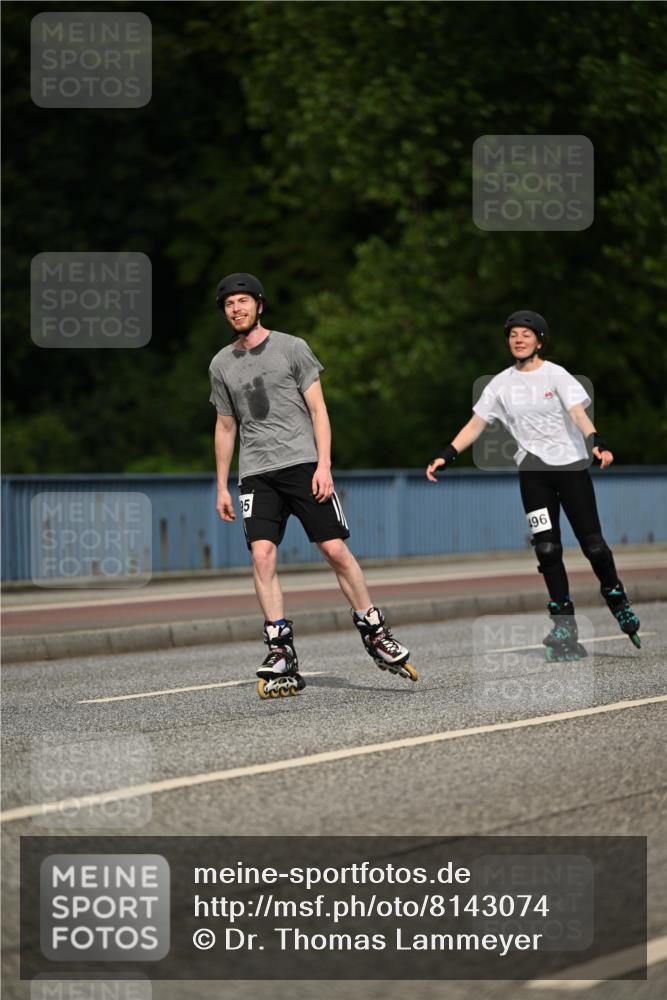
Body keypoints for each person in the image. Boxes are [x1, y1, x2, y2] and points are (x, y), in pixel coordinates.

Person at [209, 272, 417, 697]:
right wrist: (221, 485)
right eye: (229, 304)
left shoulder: (292, 347)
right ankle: (280, 648)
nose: (237, 309)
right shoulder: (220, 364)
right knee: (262, 556)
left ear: (259, 306)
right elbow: (225, 426)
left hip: (303, 465)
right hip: (256, 473)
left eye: (244, 302)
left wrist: (325, 465)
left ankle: (374, 630)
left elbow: (319, 411)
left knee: (335, 549)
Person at [426, 309, 641, 661]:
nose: (518, 339)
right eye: (513, 335)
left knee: (594, 546)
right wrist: (446, 454)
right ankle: (564, 625)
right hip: (533, 474)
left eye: (526, 334)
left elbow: (577, 413)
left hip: (571, 467)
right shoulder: (500, 384)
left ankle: (615, 595)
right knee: (546, 549)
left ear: (539, 340)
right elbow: (476, 425)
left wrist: (596, 441)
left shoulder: (556, 375)